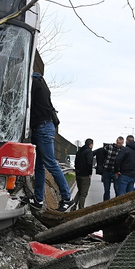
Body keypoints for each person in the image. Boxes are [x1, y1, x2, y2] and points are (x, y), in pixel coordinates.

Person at [29, 72, 72, 212]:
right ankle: (38, 200)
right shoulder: (41, 85)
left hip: (42, 128)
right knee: (40, 165)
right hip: (44, 127)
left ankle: (67, 198)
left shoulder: (33, 85)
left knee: (50, 163)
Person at [92, 136, 124, 201]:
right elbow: (101, 152)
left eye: (120, 143)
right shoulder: (109, 147)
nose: (118, 145)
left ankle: (117, 203)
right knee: (106, 189)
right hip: (106, 170)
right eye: (118, 143)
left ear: (122, 143)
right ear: (116, 141)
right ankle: (106, 203)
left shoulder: (123, 150)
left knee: (117, 189)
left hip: (115, 172)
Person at [74, 138, 95, 209]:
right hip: (85, 175)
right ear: (90, 144)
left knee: (80, 191)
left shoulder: (79, 152)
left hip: (78, 174)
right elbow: (89, 163)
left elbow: (75, 162)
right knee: (83, 193)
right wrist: (90, 173)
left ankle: (72, 206)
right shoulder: (89, 152)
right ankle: (81, 209)